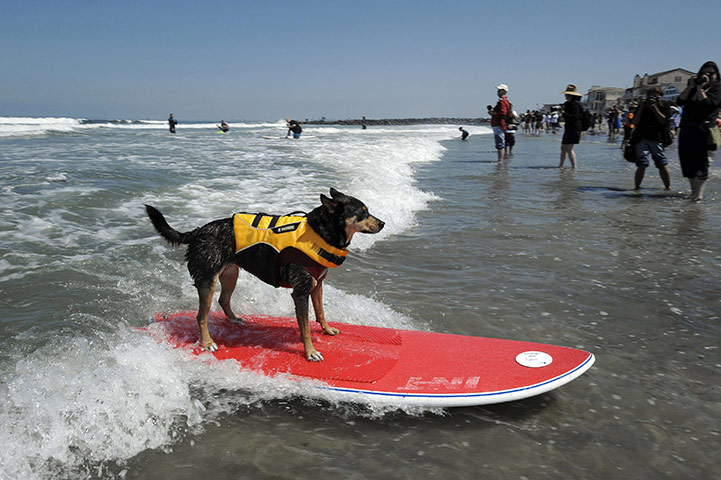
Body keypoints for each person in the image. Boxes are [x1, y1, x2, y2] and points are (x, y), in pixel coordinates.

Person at [676, 61, 721, 201]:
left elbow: (708, 105)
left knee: (700, 162)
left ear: (716, 75)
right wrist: (691, 86)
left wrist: (701, 89)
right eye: (704, 73)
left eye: (710, 73)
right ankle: (693, 192)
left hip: (703, 129)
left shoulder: (718, 88)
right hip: (686, 128)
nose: (707, 76)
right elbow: (680, 101)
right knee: (687, 161)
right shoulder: (694, 87)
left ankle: (699, 196)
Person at [630, 87, 672, 190]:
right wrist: (641, 107)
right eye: (651, 95)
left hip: (657, 138)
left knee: (662, 164)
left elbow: (664, 121)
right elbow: (635, 122)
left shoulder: (665, 105)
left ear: (661, 96)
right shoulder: (643, 106)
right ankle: (636, 187)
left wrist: (655, 107)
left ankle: (668, 187)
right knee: (642, 164)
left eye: (656, 95)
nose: (653, 98)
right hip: (642, 137)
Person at [559, 84, 583, 168]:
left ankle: (574, 167)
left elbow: (575, 117)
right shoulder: (568, 103)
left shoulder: (575, 104)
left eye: (566, 94)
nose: (565, 96)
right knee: (563, 148)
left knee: (569, 149)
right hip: (569, 128)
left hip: (574, 128)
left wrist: (563, 114)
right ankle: (561, 166)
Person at [488, 84, 511, 162]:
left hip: (499, 124)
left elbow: (503, 113)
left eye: (499, 90)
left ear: (504, 91)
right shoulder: (504, 101)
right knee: (500, 143)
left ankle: (500, 161)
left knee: (500, 144)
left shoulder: (502, 101)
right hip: (500, 124)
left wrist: (492, 113)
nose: (498, 91)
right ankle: (500, 160)